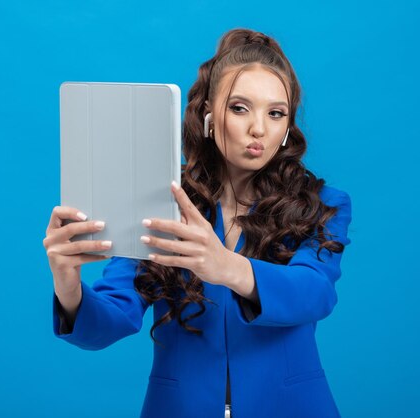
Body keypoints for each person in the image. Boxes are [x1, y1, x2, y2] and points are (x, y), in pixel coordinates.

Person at [43, 28, 352, 418]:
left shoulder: (323, 204)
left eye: (275, 113)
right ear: (209, 115)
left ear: (288, 126)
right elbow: (107, 322)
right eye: (240, 108)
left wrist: (227, 267)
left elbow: (314, 293)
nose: (258, 128)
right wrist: (67, 282)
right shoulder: (160, 201)